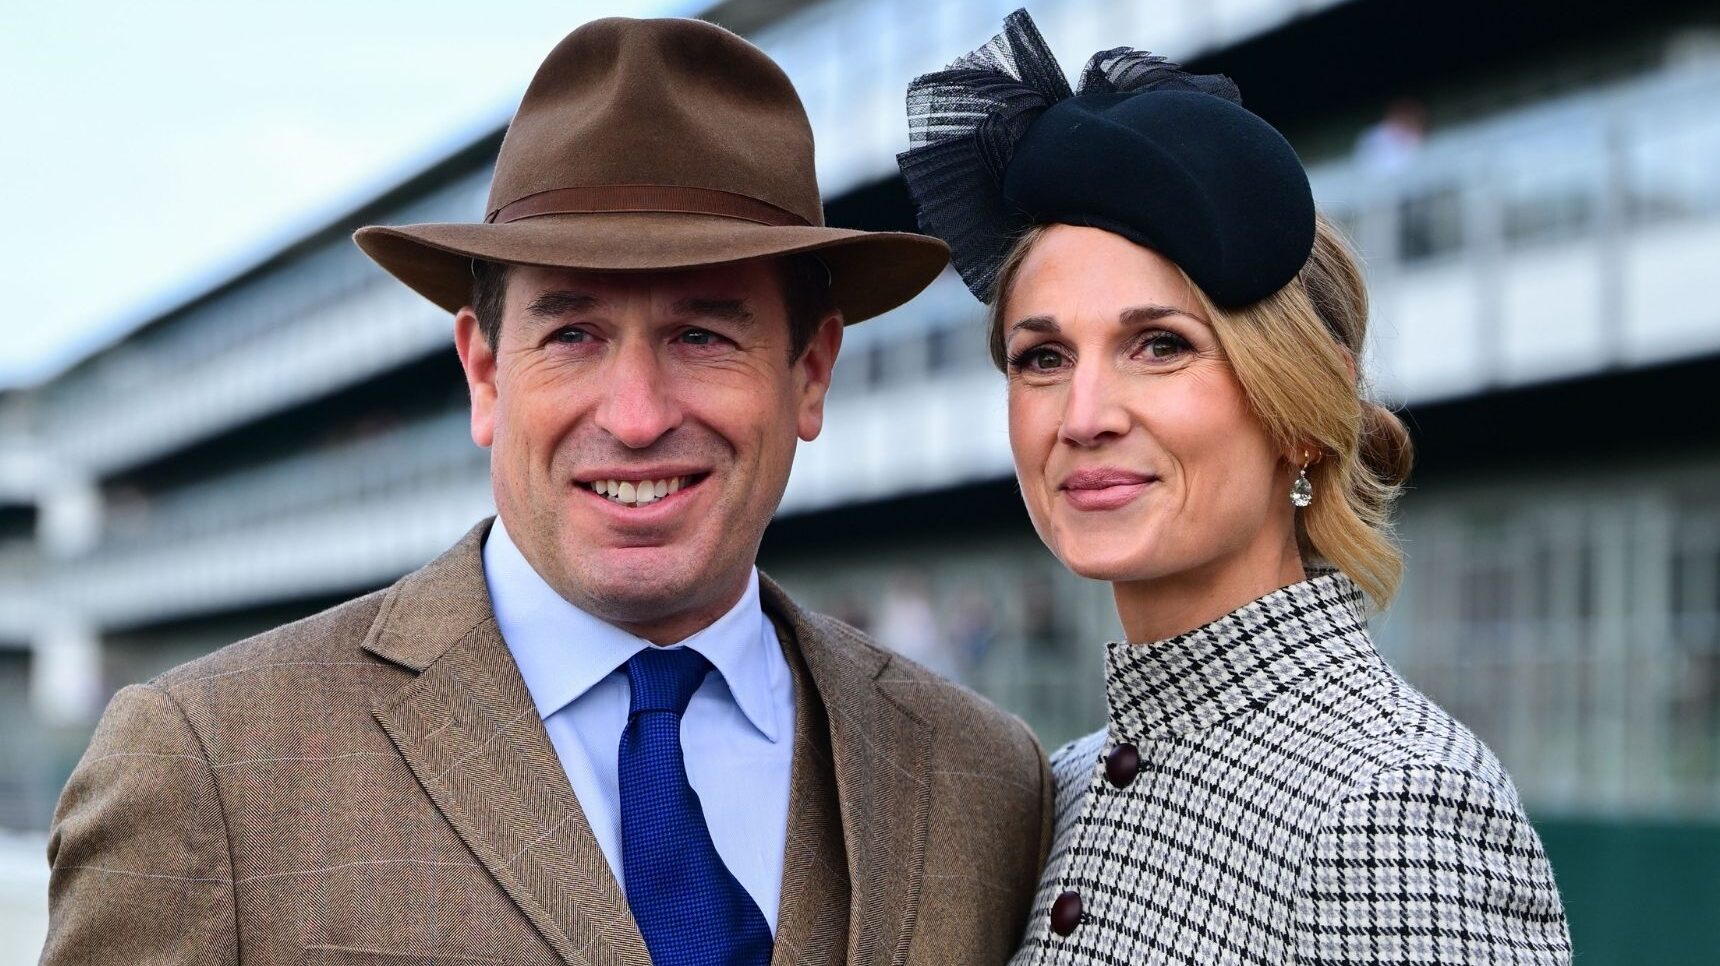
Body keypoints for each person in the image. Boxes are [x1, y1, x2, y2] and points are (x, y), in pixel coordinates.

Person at [42, 18, 1051, 966]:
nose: (638, 412)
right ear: (484, 374)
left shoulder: (984, 780)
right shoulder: (207, 765)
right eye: (573, 334)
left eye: (703, 335)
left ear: (810, 374)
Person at [899, 11, 1571, 964]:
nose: (1082, 414)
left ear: (1303, 409)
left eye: (1160, 345)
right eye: (1041, 356)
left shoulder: (1397, 807)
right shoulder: (1069, 786)